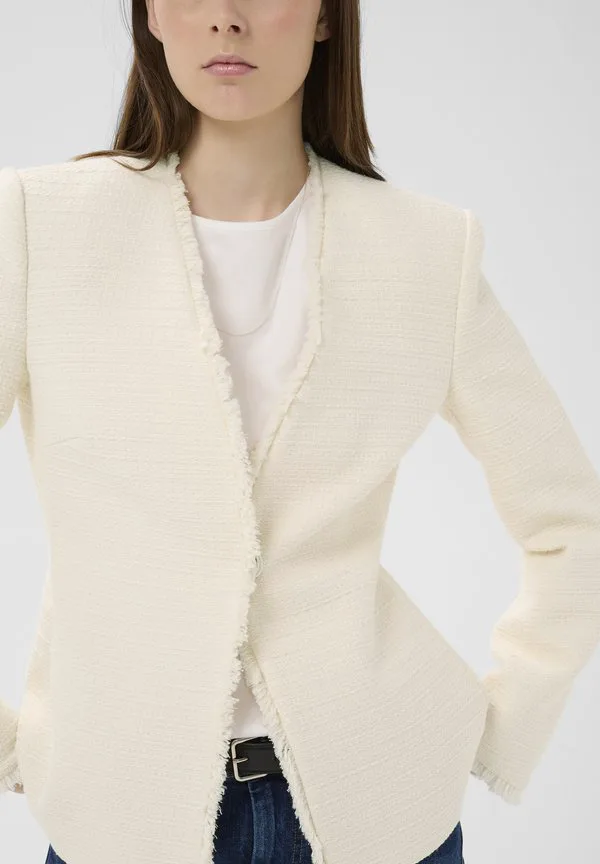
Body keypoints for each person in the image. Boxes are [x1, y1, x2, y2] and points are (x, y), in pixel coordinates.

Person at [2, 1, 600, 863]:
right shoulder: (40, 226)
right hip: (119, 818)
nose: (226, 18)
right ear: (151, 14)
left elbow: (571, 525)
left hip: (381, 812)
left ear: (325, 17)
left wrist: (507, 726)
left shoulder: (427, 250)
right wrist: (23, 749)